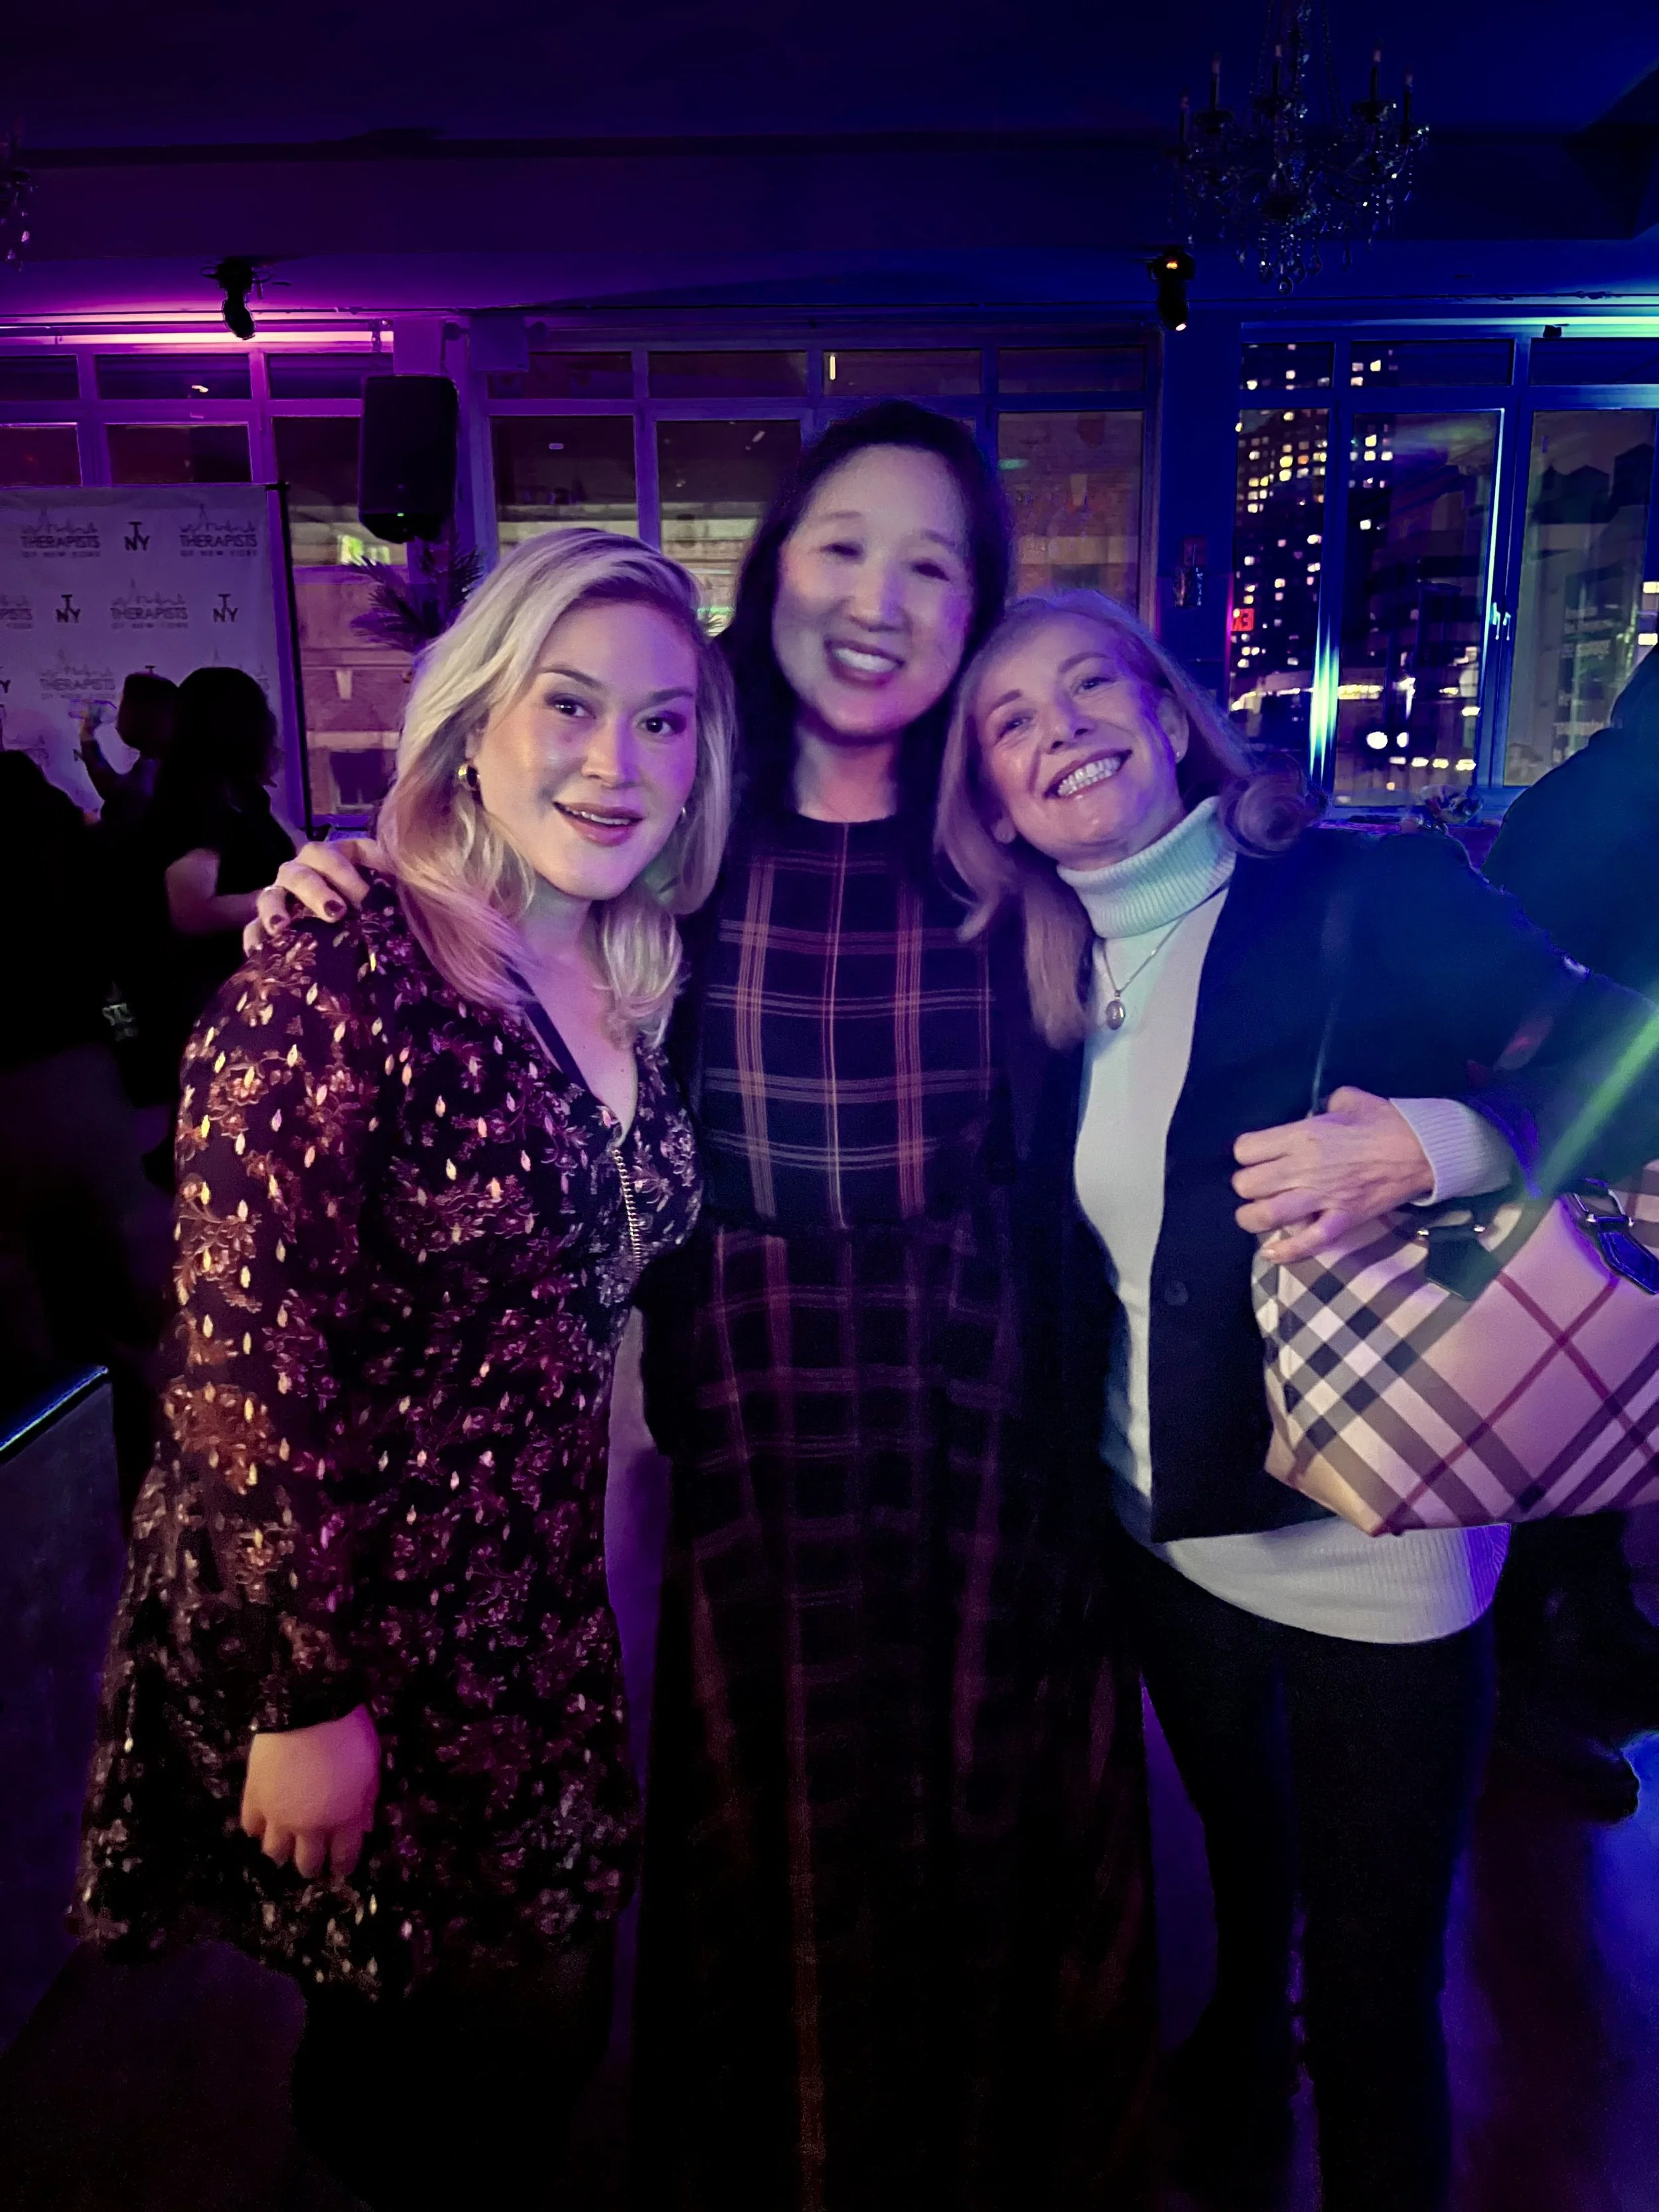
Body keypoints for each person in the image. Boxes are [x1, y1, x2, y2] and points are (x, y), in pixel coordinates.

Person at [244, 409, 1157, 2212]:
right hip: (752, 1420)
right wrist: (344, 868)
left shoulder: (1019, 853)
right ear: (775, 570)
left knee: (976, 1826)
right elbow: (479, 892)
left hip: (987, 1426)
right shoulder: (676, 831)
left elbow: (1213, 914)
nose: (878, 600)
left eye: (932, 566)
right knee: (771, 1837)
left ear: (976, 615)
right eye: (840, 547)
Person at [936, 589, 1659, 2212]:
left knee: (1375, 1989)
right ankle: (1239, 2079)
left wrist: (1442, 1140)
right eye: (1010, 721)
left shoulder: (1360, 889)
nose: (1063, 731)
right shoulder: (1036, 977)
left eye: (1093, 685)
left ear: (1170, 708)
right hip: (1162, 1544)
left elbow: (1635, 1051)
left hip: (1374, 1556)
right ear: (986, 796)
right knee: (1249, 1890)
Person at [72, 529, 735, 2212]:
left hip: (527, 1600)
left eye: (665, 722)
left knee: (532, 2028)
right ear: (473, 724)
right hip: (349, 1604)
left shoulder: (619, 966)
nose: (620, 760)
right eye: (571, 706)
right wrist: (305, 1695)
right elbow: (236, 1368)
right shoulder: (344, 971)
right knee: (427, 2063)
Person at [1484, 644, 1659, 1819]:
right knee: (1563, 1412)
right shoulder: (1611, 803)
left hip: (1583, 1131)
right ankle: (1531, 1675)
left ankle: (1588, 1627)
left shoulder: (1591, 788)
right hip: (1575, 1142)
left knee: (1585, 1409)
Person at [0, 743, 170, 1503]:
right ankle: (143, 1477)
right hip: (74, 1067)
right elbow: (105, 940)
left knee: (29, 1332)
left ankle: (71, 1502)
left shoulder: (27, 802)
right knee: (124, 1299)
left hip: (39, 1071)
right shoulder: (34, 806)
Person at [78, 670, 178, 837]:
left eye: (123, 704)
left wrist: (94, 827)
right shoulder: (157, 759)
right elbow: (118, 792)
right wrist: (87, 737)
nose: (117, 713)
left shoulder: (155, 769)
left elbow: (125, 809)